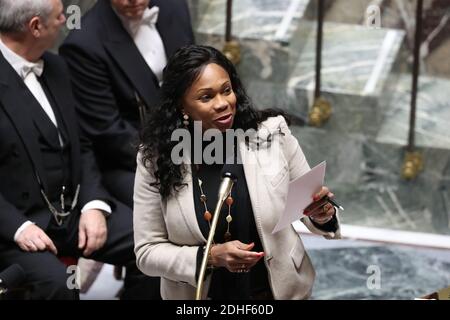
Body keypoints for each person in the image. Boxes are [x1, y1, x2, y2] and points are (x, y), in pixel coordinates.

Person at [133, 45, 342, 300]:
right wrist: (210, 257)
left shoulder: (272, 133)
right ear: (182, 107)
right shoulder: (156, 159)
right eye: (206, 97)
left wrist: (322, 214)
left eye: (226, 90)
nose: (223, 104)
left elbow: (309, 207)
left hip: (279, 292)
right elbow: (147, 252)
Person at [0, 0, 159, 299]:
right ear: (36, 26)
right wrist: (18, 228)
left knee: (153, 247)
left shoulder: (58, 67)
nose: (67, 20)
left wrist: (94, 204)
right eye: (60, 16)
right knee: (60, 284)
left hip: (72, 211)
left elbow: (83, 145)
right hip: (15, 224)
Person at [59, 0, 195, 207]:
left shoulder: (173, 5)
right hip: (133, 158)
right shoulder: (83, 44)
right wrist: (174, 159)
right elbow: (108, 132)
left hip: (189, 136)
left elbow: (195, 73)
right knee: (182, 204)